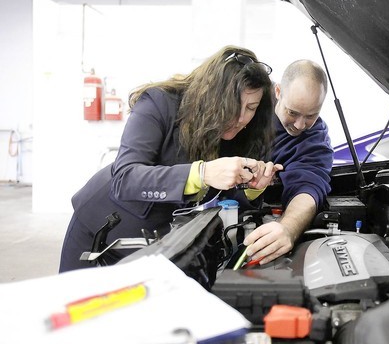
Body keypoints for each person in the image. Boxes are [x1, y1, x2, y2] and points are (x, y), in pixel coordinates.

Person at [59, 45, 283, 272]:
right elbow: (125, 178)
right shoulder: (157, 103)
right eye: (233, 106)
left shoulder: (239, 133)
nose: (241, 118)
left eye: (251, 108)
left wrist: (251, 188)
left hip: (161, 243)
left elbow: (220, 197)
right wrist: (202, 173)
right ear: (214, 97)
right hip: (102, 231)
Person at [243, 59, 333, 265]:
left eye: (311, 115)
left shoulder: (314, 139)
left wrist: (288, 228)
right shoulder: (249, 104)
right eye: (292, 112)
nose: (300, 125)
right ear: (277, 91)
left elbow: (309, 186)